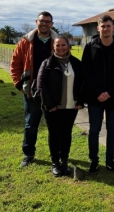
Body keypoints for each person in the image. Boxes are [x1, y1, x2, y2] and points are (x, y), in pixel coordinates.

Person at [81, 15, 114, 174]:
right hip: (95, 98)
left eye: (108, 26)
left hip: (113, 98)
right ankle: (93, 161)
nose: (106, 29)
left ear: (113, 27)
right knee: (94, 130)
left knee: (112, 129)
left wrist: (109, 92)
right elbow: (85, 73)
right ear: (98, 28)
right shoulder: (90, 48)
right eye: (103, 26)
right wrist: (97, 93)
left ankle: (110, 161)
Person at [10, 11, 57, 167]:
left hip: (52, 92)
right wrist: (18, 84)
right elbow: (15, 63)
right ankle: (28, 154)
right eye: (41, 21)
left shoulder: (58, 41)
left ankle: (56, 155)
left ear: (52, 24)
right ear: (36, 22)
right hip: (31, 91)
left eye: (47, 21)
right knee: (31, 124)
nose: (44, 24)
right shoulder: (26, 41)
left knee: (54, 125)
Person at [36, 36, 84, 177]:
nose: (61, 48)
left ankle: (64, 160)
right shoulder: (47, 64)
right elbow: (41, 86)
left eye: (63, 45)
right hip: (52, 108)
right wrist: (50, 105)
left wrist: (80, 101)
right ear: (53, 47)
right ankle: (55, 163)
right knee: (54, 133)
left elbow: (82, 83)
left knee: (66, 133)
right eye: (58, 45)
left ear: (68, 46)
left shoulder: (76, 63)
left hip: (71, 107)